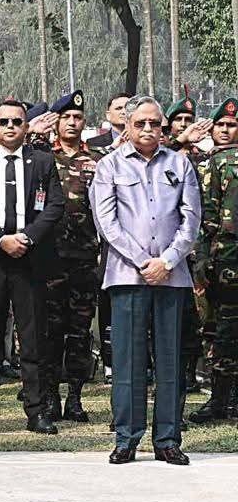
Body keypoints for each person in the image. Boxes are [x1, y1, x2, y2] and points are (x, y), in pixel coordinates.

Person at [91, 95, 200, 465]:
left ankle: (168, 438)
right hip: (127, 275)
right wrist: (143, 262)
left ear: (164, 127)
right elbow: (107, 223)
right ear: (126, 126)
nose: (149, 130)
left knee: (170, 360)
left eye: (156, 123)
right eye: (141, 123)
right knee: (128, 361)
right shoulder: (109, 166)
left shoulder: (180, 164)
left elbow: (191, 220)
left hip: (172, 276)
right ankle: (127, 438)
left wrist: (167, 260)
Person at [0, 100, 65, 435]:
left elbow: (55, 205)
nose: (10, 127)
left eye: (17, 122)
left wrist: (27, 237)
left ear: (27, 127)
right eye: (4, 121)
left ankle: (37, 411)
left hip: (29, 259)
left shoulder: (42, 161)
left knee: (33, 337)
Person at [41, 90, 106, 424]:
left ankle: (76, 398)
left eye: (77, 117)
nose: (72, 122)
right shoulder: (41, 157)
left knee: (80, 332)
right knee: (51, 332)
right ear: (56, 121)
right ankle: (50, 398)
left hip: (83, 256)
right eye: (66, 117)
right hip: (50, 259)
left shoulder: (97, 159)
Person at [191, 96, 238, 424]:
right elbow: (205, 213)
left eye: (232, 125)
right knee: (223, 332)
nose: (226, 130)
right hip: (226, 262)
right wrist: (203, 258)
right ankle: (220, 401)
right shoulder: (214, 164)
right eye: (220, 124)